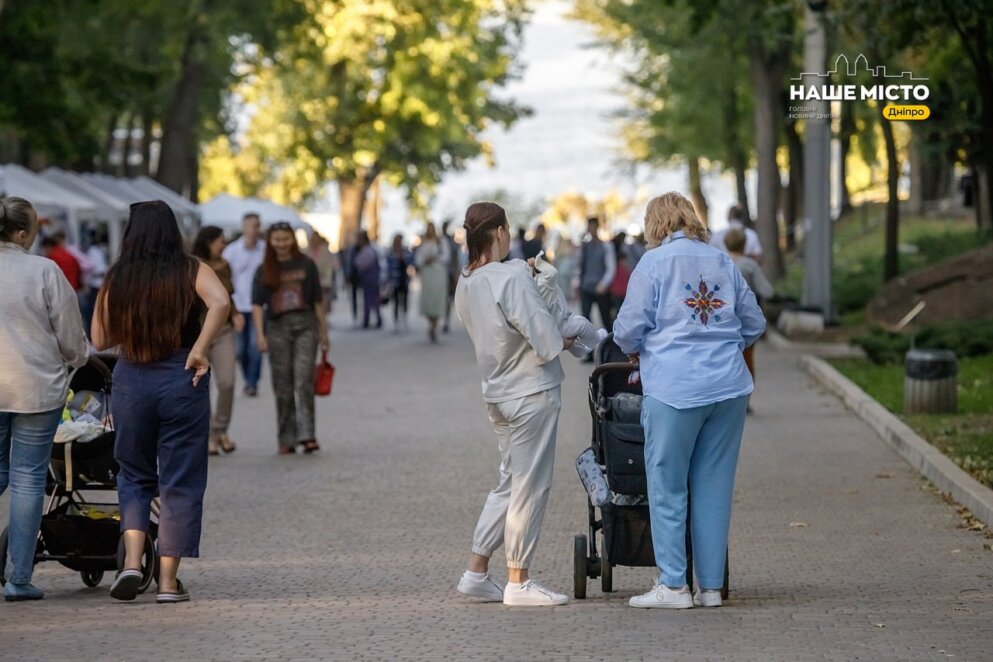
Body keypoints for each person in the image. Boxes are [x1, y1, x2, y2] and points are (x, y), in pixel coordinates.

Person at [613, 192, 765, 609]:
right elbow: (754, 322)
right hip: (728, 389)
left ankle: (674, 585)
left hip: (675, 389)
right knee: (714, 488)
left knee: (667, 485)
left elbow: (627, 329)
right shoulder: (720, 260)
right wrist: (724, 344)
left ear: (654, 224)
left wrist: (639, 348)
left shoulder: (655, 263)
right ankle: (711, 588)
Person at [92, 200, 230, 604]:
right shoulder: (191, 269)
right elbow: (220, 301)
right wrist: (200, 348)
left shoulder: (119, 275)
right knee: (180, 479)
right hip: (181, 377)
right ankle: (168, 584)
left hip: (132, 377)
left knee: (133, 473)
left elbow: (99, 339)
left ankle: (132, 562)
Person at [453, 201, 573, 607]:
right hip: (531, 390)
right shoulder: (511, 278)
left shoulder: (466, 280)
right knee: (530, 484)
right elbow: (545, 337)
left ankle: (477, 570)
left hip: (497, 392)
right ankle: (519, 580)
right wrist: (566, 336)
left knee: (508, 481)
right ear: (501, 232)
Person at [0, 197, 88, 601]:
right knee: (27, 479)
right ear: (21, 233)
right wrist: (80, 359)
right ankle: (18, 577)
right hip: (36, 387)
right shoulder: (44, 271)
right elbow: (72, 338)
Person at [252, 222, 328, 455]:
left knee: (303, 380)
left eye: (285, 239)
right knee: (282, 384)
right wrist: (260, 335)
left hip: (305, 326)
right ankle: (286, 437)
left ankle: (308, 434)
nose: (281, 244)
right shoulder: (264, 269)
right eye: (276, 240)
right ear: (270, 241)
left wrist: (323, 332)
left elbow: (317, 301)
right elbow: (256, 304)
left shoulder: (307, 264)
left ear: (293, 240)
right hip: (277, 328)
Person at [192, 226, 242, 456]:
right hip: (198, 332)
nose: (223, 245)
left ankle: (219, 430)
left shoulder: (224, 265)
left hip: (223, 330)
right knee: (200, 386)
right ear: (208, 242)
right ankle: (208, 436)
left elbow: (226, 296)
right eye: (220, 241)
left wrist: (235, 313)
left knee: (227, 382)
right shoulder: (192, 266)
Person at [222, 213, 265, 397]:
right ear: (244, 227)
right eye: (250, 226)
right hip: (238, 306)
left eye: (256, 226)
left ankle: (251, 382)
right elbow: (224, 277)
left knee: (255, 345)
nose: (254, 230)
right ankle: (248, 376)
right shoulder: (232, 251)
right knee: (240, 350)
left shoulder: (265, 250)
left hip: (258, 306)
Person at [724, 227, 773, 386]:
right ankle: (746, 395)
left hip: (723, 318)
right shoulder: (750, 265)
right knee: (747, 358)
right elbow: (767, 291)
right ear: (744, 244)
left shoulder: (719, 262)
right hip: (745, 318)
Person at [578, 217, 616, 349]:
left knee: (606, 320)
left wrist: (604, 284)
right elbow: (580, 266)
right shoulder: (585, 246)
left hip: (600, 288)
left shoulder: (606, 246)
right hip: (586, 287)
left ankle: (612, 349)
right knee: (586, 321)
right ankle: (588, 350)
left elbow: (611, 267)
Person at [416, 223, 449, 343]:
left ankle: (434, 327)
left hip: (438, 273)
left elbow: (446, 256)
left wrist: (435, 258)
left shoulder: (441, 242)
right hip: (427, 275)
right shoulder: (423, 243)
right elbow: (418, 259)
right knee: (428, 301)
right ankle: (431, 324)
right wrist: (425, 261)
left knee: (437, 300)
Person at [354, 231, 382, 329]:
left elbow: (360, 264)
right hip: (368, 279)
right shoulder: (366, 250)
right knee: (370, 300)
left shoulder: (368, 251)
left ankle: (372, 320)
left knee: (372, 300)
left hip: (370, 279)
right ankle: (370, 319)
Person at [386, 233, 414, 331]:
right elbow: (388, 265)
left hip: (404, 279)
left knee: (405, 300)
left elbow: (411, 260)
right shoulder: (391, 252)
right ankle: (396, 322)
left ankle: (404, 319)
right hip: (395, 280)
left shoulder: (406, 250)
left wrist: (403, 257)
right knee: (396, 301)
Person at [309, 232, 338, 318]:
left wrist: (328, 281)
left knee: (323, 302)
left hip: (323, 281)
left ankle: (322, 319)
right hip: (312, 281)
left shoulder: (325, 250)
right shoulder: (309, 250)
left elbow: (329, 266)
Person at [441, 220, 461, 334]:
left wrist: (456, 272)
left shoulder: (452, 243)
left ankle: (446, 321)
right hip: (443, 273)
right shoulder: (441, 241)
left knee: (448, 298)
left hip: (450, 273)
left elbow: (456, 260)